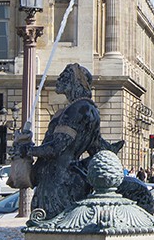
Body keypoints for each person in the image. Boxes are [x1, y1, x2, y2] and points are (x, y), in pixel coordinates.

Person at [11, 63, 124, 218]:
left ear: (75, 81)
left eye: (64, 76)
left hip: (57, 183)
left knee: (49, 228)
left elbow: (57, 148)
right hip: (72, 178)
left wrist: (26, 150)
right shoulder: (91, 110)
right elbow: (96, 148)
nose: (59, 78)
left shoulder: (76, 109)